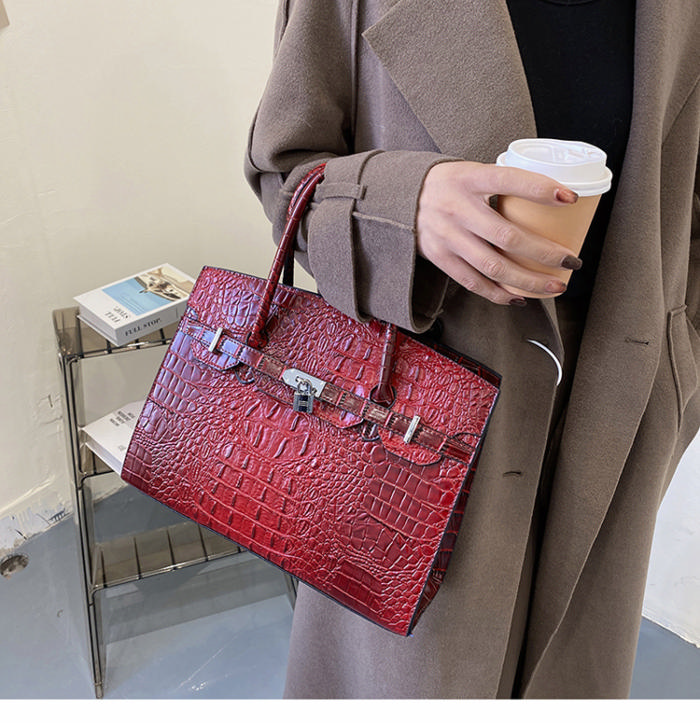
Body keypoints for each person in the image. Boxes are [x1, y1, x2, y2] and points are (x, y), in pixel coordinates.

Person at [244, 0, 700, 699]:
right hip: (413, 406)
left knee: (575, 673)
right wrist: (405, 202)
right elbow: (285, 170)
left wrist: (680, 357)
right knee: (412, 680)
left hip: (619, 392)